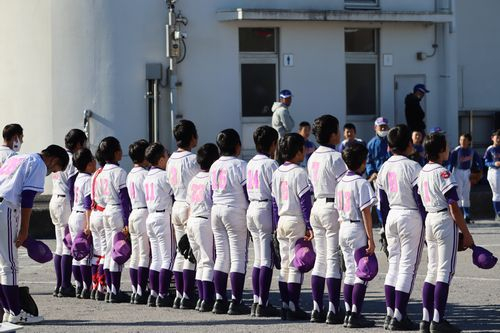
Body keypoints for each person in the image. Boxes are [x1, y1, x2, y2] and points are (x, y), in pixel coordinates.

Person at [0, 144, 69, 324]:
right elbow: (28, 197)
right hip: (5, 207)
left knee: (2, 265)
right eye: (55, 167)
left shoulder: (17, 158)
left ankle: (8, 310)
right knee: (10, 266)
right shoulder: (38, 163)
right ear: (53, 159)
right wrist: (24, 230)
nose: (52, 171)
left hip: (2, 203)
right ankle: (15, 312)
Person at [417, 132, 474, 333]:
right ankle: (438, 320)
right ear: (441, 150)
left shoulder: (423, 171)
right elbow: (454, 207)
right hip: (443, 219)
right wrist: (467, 234)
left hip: (430, 219)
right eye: (447, 146)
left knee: (432, 270)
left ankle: (426, 319)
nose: (449, 149)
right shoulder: (443, 173)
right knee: (444, 271)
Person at [376, 124, 426, 330]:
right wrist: (427, 221)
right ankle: (399, 315)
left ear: (389, 146)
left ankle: (390, 314)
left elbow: (382, 202)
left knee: (394, 266)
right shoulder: (413, 167)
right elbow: (420, 198)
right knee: (408, 267)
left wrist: (384, 225)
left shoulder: (383, 167)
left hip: (391, 217)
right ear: (408, 144)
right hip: (410, 215)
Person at [307, 115, 347, 324]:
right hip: (332, 206)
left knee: (320, 259)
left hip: (317, 205)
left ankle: (316, 308)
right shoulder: (335, 157)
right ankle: (333, 309)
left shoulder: (312, 156)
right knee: (332, 259)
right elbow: (343, 185)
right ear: (333, 134)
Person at [271, 133, 314, 321]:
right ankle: (294, 305)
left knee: (285, 265)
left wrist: (274, 223)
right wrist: (309, 224)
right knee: (296, 265)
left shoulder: (277, 172)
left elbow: (273, 203)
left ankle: (285, 304)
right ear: (298, 151)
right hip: (296, 220)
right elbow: (305, 201)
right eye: (302, 148)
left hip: (281, 220)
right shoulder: (300, 172)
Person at [336, 143, 377, 328]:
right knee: (362, 273)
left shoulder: (340, 182)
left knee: (350, 273)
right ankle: (355, 313)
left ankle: (348, 313)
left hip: (343, 227)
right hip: (356, 228)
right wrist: (371, 238)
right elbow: (366, 212)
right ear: (362, 162)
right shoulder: (361, 183)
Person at [210, 129, 249, 315]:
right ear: (237, 146)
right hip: (234, 209)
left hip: (216, 209)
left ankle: (219, 299)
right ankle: (236, 300)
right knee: (238, 257)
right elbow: (247, 191)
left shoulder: (214, 165)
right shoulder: (240, 165)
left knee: (222, 256)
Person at [245, 126, 280, 317]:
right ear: (273, 144)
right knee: (266, 259)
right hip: (265, 208)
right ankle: (263, 303)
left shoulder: (250, 163)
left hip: (252, 207)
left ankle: (257, 301)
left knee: (258, 259)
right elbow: (275, 195)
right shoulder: (271, 164)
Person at [166, 120, 200, 309]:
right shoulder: (192, 159)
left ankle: (179, 294)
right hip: (189, 205)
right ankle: (188, 294)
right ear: (192, 137)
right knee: (191, 252)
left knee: (181, 251)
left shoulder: (170, 159)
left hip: (176, 204)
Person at [50, 129, 87, 298]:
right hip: (65, 201)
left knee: (59, 245)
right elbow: (73, 185)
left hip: (54, 199)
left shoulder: (59, 156)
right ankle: (65, 284)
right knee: (67, 246)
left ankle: (59, 285)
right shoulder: (71, 159)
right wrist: (75, 208)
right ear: (79, 144)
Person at [186, 143, 220, 312]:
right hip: (205, 220)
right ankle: (207, 298)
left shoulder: (194, 179)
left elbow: (189, 203)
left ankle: (201, 298)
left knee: (201, 262)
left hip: (192, 219)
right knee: (208, 261)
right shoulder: (212, 178)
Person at [97, 136, 132, 303]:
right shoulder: (120, 172)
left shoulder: (101, 173)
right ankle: (116, 291)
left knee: (109, 251)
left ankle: (110, 289)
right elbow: (125, 199)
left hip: (105, 211)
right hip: (117, 210)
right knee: (118, 251)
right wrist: (127, 221)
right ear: (116, 152)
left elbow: (99, 199)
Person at [143, 143, 175, 308]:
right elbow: (174, 193)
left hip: (151, 216)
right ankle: (163, 294)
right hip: (163, 216)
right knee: (168, 258)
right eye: (166, 156)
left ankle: (153, 293)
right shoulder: (163, 176)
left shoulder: (147, 176)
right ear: (161, 159)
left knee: (156, 258)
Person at [68, 148, 96, 299]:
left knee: (76, 254)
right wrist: (88, 224)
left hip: (74, 214)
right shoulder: (88, 179)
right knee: (85, 254)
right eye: (92, 159)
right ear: (88, 164)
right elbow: (87, 203)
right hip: (82, 216)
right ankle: (86, 287)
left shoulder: (78, 177)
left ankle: (79, 285)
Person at [126, 139, 151, 305]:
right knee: (144, 255)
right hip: (143, 212)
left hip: (133, 212)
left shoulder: (130, 174)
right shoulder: (145, 174)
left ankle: (136, 289)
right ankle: (141, 291)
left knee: (135, 254)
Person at [447, 133, 482, 224]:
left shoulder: (472, 151)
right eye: (461, 140)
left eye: (465, 140)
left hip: (467, 172)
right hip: (457, 172)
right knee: (458, 193)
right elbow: (451, 164)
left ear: (469, 141)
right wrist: (449, 175)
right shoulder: (456, 151)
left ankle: (467, 215)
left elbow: (478, 162)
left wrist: (479, 172)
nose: (462, 141)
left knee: (466, 193)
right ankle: (459, 215)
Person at [89, 147, 107, 301]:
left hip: (93, 213)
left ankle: (94, 285)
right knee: (104, 253)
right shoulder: (108, 174)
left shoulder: (95, 174)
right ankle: (102, 286)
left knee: (96, 253)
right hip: (102, 213)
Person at [366, 117, 391, 183]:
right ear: (375, 128)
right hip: (376, 176)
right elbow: (368, 161)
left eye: (385, 126)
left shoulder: (391, 141)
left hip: (391, 174)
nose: (383, 128)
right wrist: (372, 173)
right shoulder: (371, 144)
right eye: (381, 126)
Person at [484, 129, 500, 221]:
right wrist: (494, 164)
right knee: (497, 193)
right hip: (494, 172)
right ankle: (498, 213)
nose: (498, 139)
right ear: (492, 138)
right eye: (497, 137)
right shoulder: (490, 149)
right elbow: (486, 162)